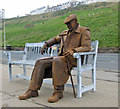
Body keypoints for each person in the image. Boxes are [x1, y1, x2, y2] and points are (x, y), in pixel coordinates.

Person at [18, 14, 91, 103]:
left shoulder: (84, 31)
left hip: (73, 59)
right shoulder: (65, 33)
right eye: (66, 24)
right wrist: (46, 44)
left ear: (75, 22)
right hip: (61, 58)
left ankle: (58, 92)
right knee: (40, 62)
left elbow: (86, 47)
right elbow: (56, 39)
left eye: (69, 23)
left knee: (57, 60)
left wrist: (74, 50)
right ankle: (32, 90)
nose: (67, 26)